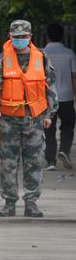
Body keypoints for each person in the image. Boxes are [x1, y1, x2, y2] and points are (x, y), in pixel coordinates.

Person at [0, 20, 58, 218]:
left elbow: (50, 87)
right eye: (16, 37)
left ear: (30, 37)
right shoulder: (1, 59)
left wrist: (50, 114)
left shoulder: (41, 58)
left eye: (23, 37)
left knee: (34, 162)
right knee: (8, 163)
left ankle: (31, 203)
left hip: (34, 120)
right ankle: (9, 203)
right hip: (8, 119)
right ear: (10, 37)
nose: (19, 40)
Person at [43, 23, 76, 170]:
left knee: (49, 129)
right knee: (68, 126)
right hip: (67, 97)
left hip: (47, 98)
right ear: (62, 36)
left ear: (48, 36)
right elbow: (74, 76)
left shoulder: (41, 54)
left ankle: (51, 161)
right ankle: (64, 151)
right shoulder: (69, 53)